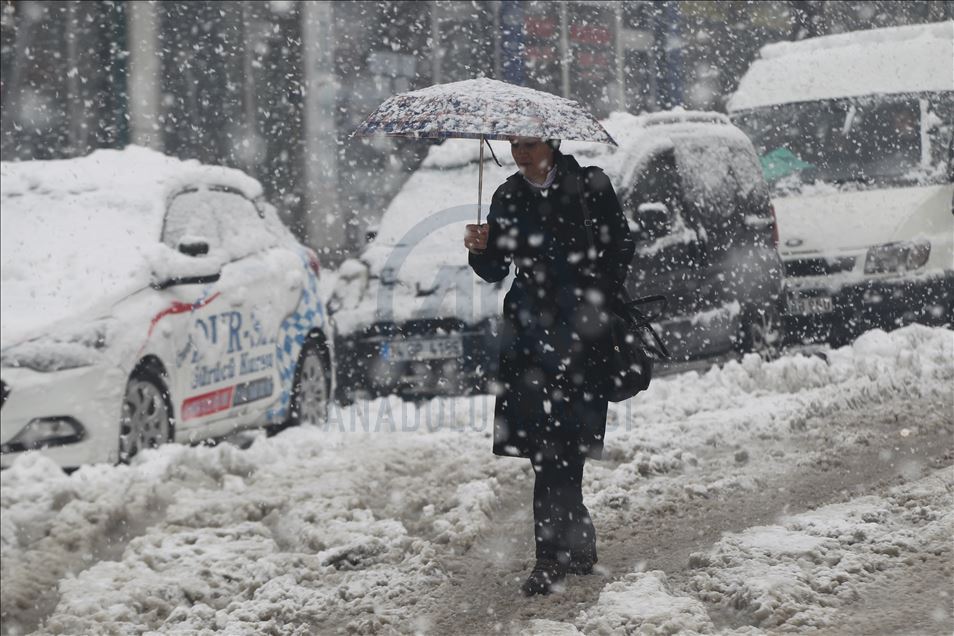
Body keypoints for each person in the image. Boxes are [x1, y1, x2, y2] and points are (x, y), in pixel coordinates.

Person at [464, 137, 634, 595]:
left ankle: (565, 550)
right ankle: (555, 554)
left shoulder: (590, 184)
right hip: (528, 337)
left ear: (553, 142)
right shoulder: (507, 195)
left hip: (582, 332)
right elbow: (495, 269)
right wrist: (480, 249)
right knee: (545, 445)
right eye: (514, 144)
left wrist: (594, 292)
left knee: (568, 442)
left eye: (530, 144)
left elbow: (621, 245)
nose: (521, 153)